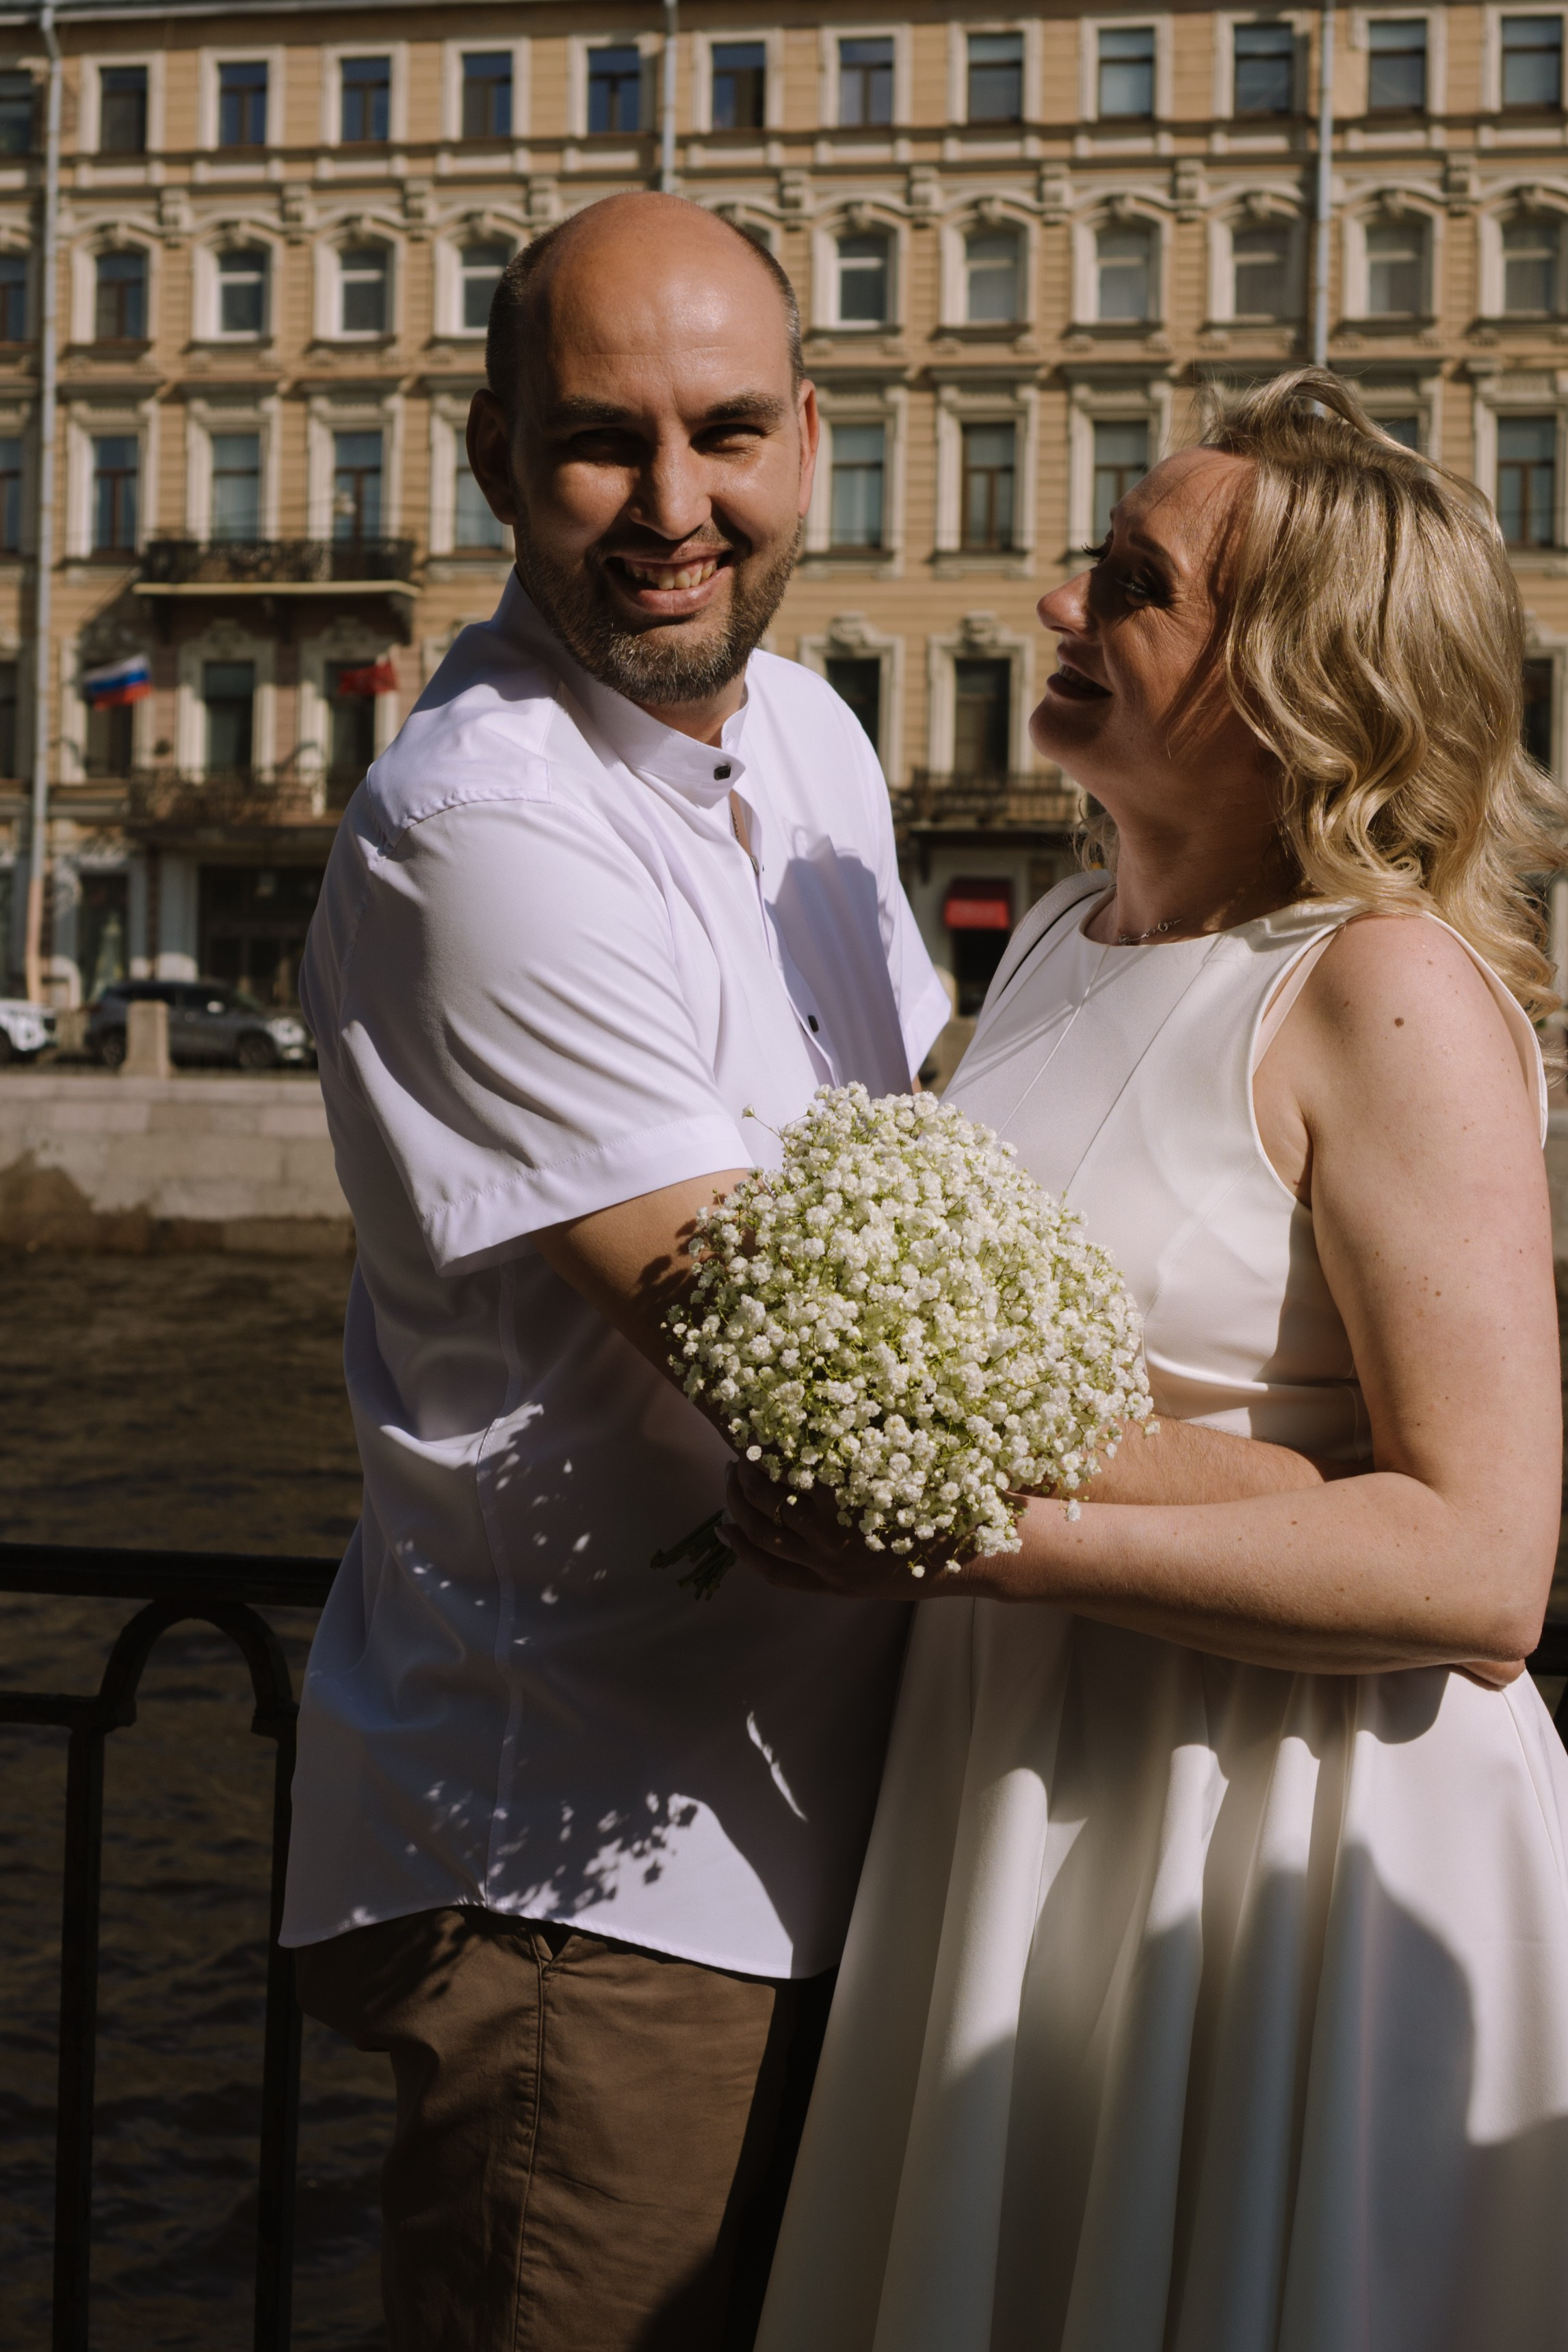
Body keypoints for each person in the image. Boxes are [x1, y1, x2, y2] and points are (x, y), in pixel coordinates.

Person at [729, 371, 1568, 2352]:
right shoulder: (1053, 940)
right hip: (1016, 1800)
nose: (1057, 608)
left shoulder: (1381, 988)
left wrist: (982, 1531)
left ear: (1297, 682)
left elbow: (1479, 1567)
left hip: (1280, 1854)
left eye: (1133, 584)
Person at [279, 192, 959, 2352]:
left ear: (810, 438)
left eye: (727, 435)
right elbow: (797, 1358)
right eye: (599, 443)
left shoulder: (815, 746)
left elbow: (935, 1195)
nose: (675, 508)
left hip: (827, 1826)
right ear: (492, 459)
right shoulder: (480, 822)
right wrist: (1345, 1522)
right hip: (592, 1880)